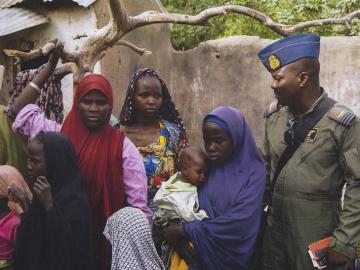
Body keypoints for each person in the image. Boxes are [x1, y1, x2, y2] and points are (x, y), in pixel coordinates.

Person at [11, 73, 151, 270]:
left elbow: (138, 209)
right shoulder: (58, 138)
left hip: (106, 238)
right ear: (77, 103)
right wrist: (49, 68)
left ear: (110, 106)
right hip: (58, 237)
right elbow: (18, 112)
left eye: (101, 102)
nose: (94, 109)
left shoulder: (123, 149)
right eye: (87, 101)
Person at [258, 33, 360, 270]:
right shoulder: (274, 117)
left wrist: (344, 242)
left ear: (302, 78)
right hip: (275, 232)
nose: (273, 85)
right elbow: (265, 169)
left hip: (316, 232)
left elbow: (358, 183)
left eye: (278, 78)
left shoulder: (341, 123)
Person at [162, 107, 265, 270]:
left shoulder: (253, 172)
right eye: (206, 140)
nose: (210, 147)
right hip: (197, 254)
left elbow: (240, 222)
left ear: (236, 137)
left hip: (233, 257)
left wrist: (187, 230)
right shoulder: (206, 168)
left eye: (218, 141)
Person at [13, 132, 92, 270]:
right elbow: (34, 237)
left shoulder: (75, 201)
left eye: (35, 161)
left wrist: (50, 207)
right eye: (28, 159)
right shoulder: (43, 188)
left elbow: (72, 253)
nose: (29, 166)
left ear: (55, 162)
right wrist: (25, 202)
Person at [119, 68, 188, 212]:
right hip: (129, 214)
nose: (151, 101)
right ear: (133, 97)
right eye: (144, 95)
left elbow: (186, 173)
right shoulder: (118, 135)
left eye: (157, 96)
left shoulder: (172, 133)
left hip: (168, 214)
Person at [0, 42, 62, 178]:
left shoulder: (49, 129)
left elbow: (17, 109)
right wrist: (49, 69)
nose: (12, 90)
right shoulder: (47, 127)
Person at [153, 146, 209, 269]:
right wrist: (200, 217)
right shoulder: (180, 189)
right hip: (167, 225)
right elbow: (183, 211)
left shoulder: (184, 182)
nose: (203, 176)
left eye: (206, 173)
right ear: (184, 170)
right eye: (199, 172)